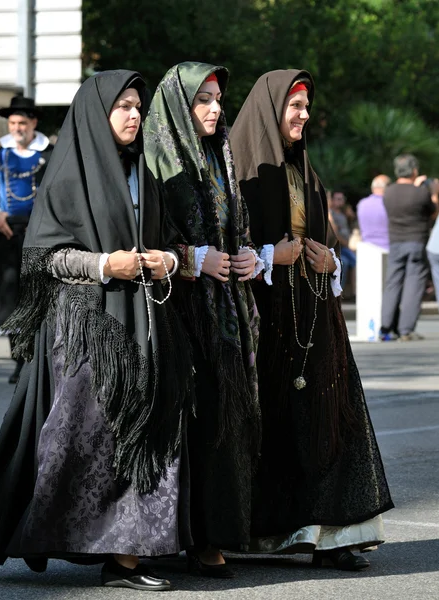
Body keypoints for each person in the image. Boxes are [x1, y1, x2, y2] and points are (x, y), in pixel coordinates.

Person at [0, 70, 193, 592]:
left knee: (148, 428)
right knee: (86, 438)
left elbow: (171, 239)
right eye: (123, 106)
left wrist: (165, 258)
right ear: (95, 113)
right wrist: (106, 264)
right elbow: (44, 256)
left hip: (145, 321)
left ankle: (128, 556)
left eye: (138, 107)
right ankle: (79, 537)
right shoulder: (65, 177)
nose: (135, 115)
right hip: (87, 329)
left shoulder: (145, 174)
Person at [229, 69, 394, 571]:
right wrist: (266, 255)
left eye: (306, 106)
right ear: (270, 108)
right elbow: (220, 242)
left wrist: (331, 260)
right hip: (264, 318)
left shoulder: (305, 168)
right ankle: (269, 532)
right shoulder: (243, 168)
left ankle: (334, 533)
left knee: (327, 416)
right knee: (274, 425)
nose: (303, 115)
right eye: (294, 106)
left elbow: (324, 238)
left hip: (315, 317)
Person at [144, 62, 261, 578]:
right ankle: (175, 536)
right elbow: (143, 235)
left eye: (218, 100)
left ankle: (215, 532)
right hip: (174, 310)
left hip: (226, 312)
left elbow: (239, 224)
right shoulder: (157, 160)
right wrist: (194, 259)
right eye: (204, 99)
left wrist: (247, 256)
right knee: (182, 424)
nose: (215, 109)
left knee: (222, 421)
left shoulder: (221, 154)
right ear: (179, 104)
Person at [0, 96, 54, 382]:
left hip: (40, 233)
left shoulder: (48, 154)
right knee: (10, 294)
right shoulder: (0, 155)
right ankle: (17, 359)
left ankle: (37, 359)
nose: (16, 128)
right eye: (13, 123)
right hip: (7, 232)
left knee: (37, 294)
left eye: (22, 123)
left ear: (33, 124)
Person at [380, 154, 436, 341]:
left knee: (392, 283)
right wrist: (423, 188)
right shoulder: (420, 192)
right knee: (414, 284)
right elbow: (432, 210)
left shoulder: (388, 192)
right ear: (414, 171)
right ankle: (406, 329)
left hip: (395, 241)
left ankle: (386, 327)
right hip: (417, 241)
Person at [356, 175, 391, 251]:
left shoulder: (362, 204)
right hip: (387, 249)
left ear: (372, 188)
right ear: (387, 188)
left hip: (367, 249)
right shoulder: (390, 204)